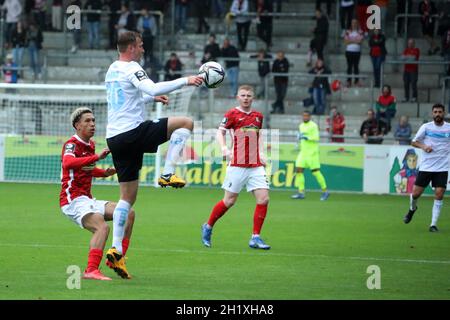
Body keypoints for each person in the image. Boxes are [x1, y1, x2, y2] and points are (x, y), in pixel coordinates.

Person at [104, 31, 203, 278]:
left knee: (126, 198)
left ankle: (116, 249)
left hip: (115, 137)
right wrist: (186, 80)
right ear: (130, 48)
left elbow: (129, 97)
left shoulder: (112, 69)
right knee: (186, 123)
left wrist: (149, 97)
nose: (143, 49)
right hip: (132, 132)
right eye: (140, 45)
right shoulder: (132, 67)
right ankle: (168, 173)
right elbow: (153, 86)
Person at [60, 107, 135, 281]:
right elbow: (68, 163)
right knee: (102, 227)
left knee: (128, 213)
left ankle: (117, 258)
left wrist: (104, 173)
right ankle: (91, 270)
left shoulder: (90, 145)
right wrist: (97, 158)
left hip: (86, 199)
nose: (92, 124)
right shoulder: (72, 144)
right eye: (87, 121)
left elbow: (86, 169)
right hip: (72, 200)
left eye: (93, 120)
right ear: (77, 125)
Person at [201, 85, 271, 249]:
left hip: (255, 165)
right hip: (237, 164)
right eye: (243, 95)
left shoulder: (258, 116)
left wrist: (261, 153)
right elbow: (220, 132)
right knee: (229, 201)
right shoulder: (232, 114)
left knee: (264, 198)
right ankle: (208, 226)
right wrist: (224, 148)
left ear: (253, 98)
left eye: (249, 95)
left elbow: (258, 135)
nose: (246, 98)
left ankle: (255, 237)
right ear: (237, 97)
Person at [403, 104, 450, 232]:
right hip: (427, 167)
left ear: (444, 113)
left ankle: (433, 225)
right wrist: (424, 147)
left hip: (442, 168)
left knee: (439, 194)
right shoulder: (426, 127)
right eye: (435, 112)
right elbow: (414, 141)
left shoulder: (448, 128)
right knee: (416, 194)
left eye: (440, 112)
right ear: (432, 113)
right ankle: (412, 209)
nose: (437, 114)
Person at [291, 110, 330, 201]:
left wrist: (306, 137)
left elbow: (316, 138)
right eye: (303, 116)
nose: (305, 117)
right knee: (299, 170)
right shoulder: (301, 125)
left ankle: (325, 191)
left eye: (306, 116)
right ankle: (301, 192)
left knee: (315, 172)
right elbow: (301, 136)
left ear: (310, 117)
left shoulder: (313, 125)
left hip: (312, 153)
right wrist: (298, 141)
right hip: (303, 152)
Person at [344, 19, 364, 87]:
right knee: (349, 66)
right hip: (349, 51)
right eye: (353, 23)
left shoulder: (360, 31)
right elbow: (346, 42)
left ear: (357, 23)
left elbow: (360, 42)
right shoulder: (348, 31)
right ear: (351, 24)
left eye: (355, 23)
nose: (354, 24)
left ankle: (356, 81)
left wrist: (351, 40)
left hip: (357, 52)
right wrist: (355, 40)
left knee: (356, 66)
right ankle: (348, 81)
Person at [401, 38, 420, 103]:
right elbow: (402, 58)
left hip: (413, 70)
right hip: (406, 70)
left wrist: (407, 57)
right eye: (409, 43)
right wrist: (409, 57)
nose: (410, 44)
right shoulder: (406, 50)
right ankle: (406, 97)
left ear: (414, 44)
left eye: (412, 43)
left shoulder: (416, 50)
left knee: (413, 84)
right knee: (406, 84)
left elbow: (413, 58)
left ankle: (414, 97)